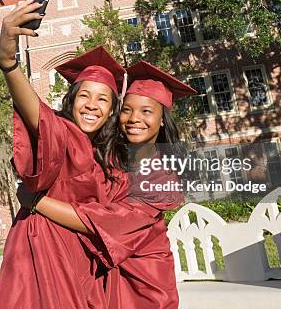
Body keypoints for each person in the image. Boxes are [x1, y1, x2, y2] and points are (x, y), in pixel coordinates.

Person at [19, 60, 196, 308]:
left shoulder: (162, 178)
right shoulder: (111, 155)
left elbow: (104, 221)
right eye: (127, 110)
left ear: (162, 120)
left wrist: (36, 202)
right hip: (106, 271)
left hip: (144, 280)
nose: (135, 119)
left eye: (146, 111)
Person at [0, 0, 129, 308]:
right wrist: (9, 63)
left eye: (102, 100)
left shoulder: (111, 160)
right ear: (71, 100)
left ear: (111, 112)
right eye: (84, 95)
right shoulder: (63, 134)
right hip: (44, 251)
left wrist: (36, 200)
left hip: (83, 258)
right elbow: (36, 113)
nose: (92, 104)